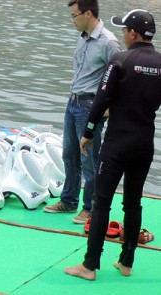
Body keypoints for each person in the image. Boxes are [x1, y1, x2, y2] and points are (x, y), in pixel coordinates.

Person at [65, 9, 161, 280]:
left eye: (124, 30)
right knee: (133, 204)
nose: (122, 34)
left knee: (102, 203)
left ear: (133, 33)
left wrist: (89, 131)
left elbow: (102, 99)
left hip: (117, 143)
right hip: (144, 144)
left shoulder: (121, 60)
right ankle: (126, 262)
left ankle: (89, 266)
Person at [44, 0, 120, 224]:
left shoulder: (109, 43)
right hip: (73, 102)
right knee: (69, 154)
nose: (72, 20)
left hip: (90, 107)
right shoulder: (82, 38)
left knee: (90, 159)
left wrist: (106, 110)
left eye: (74, 15)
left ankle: (91, 208)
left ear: (88, 14)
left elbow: (118, 79)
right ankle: (69, 201)